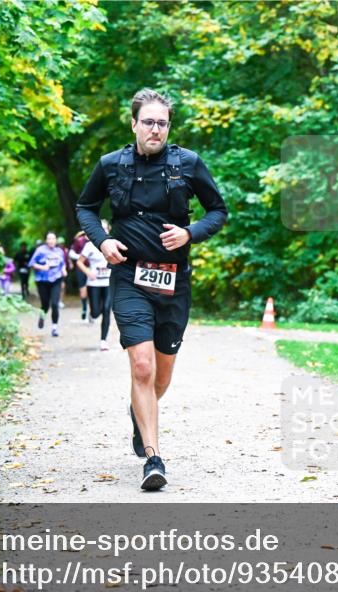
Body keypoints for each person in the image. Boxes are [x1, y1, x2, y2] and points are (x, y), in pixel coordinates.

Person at [76, 88, 227, 491]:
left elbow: (219, 210)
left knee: (160, 376)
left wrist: (190, 232)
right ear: (134, 124)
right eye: (148, 122)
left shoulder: (189, 164)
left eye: (162, 122)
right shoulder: (110, 165)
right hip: (129, 277)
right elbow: (85, 208)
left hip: (174, 282)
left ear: (168, 127)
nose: (155, 129)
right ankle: (153, 458)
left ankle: (138, 414)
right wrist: (102, 242)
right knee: (141, 366)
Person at [76, 220, 114, 351]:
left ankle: (103, 340)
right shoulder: (90, 245)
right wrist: (88, 272)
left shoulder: (114, 243)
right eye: (101, 228)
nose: (103, 231)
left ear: (109, 230)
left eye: (105, 228)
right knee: (96, 312)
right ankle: (92, 315)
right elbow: (79, 262)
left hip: (108, 283)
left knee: (107, 309)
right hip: (94, 283)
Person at [29, 232, 67, 337]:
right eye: (49, 239)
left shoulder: (59, 251)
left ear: (56, 240)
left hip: (56, 279)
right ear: (46, 240)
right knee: (45, 304)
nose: (51, 241)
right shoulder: (40, 250)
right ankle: (42, 316)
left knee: (55, 304)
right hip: (42, 281)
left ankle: (54, 327)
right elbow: (31, 263)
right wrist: (42, 267)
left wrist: (64, 270)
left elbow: (62, 263)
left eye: (53, 239)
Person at [68, 230, 91, 321]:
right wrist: (81, 257)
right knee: (83, 289)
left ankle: (92, 310)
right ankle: (85, 309)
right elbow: (71, 253)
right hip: (81, 268)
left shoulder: (97, 239)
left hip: (93, 268)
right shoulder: (79, 240)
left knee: (93, 289)